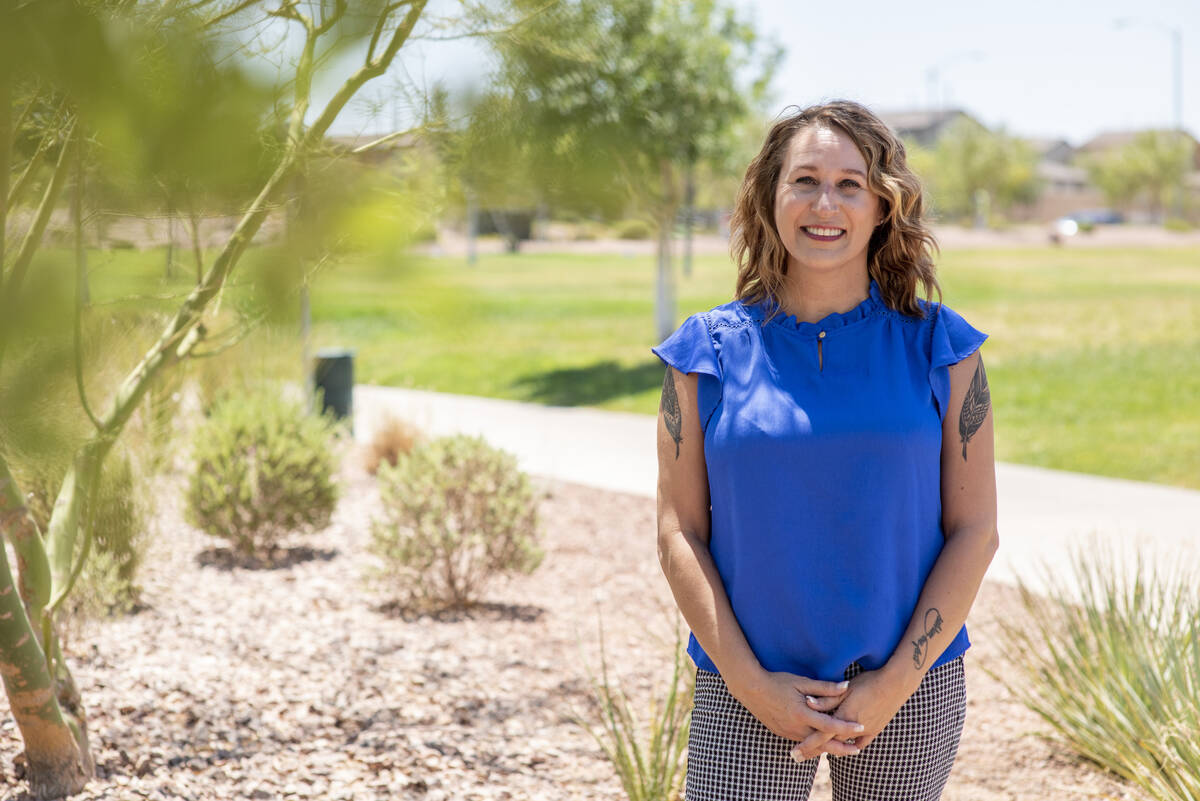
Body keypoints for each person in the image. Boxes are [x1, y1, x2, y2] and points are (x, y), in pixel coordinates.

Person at [652, 100, 998, 801]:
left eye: (850, 184)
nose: (825, 203)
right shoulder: (704, 353)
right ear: (769, 197)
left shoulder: (941, 348)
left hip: (907, 690)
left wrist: (894, 682)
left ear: (882, 205)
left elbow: (976, 531)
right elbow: (677, 532)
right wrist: (754, 686)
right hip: (747, 687)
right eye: (804, 180)